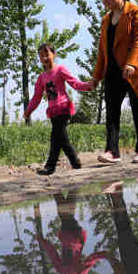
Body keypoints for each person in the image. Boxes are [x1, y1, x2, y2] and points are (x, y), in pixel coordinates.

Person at [91, 0, 138, 165]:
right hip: (112, 73)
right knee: (112, 114)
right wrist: (96, 76)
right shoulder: (106, 20)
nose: (104, 0)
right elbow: (102, 50)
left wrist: (131, 64)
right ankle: (112, 152)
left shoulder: (135, 12)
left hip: (134, 71)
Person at [24, 43, 95, 175]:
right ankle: (75, 162)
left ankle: (50, 166)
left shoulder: (60, 69)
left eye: (47, 54)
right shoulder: (41, 78)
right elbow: (36, 97)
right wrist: (28, 111)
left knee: (55, 137)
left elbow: (74, 83)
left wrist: (88, 86)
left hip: (63, 108)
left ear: (53, 55)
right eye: (41, 55)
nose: (45, 57)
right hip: (53, 111)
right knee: (61, 138)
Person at [34, 191, 110, 274]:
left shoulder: (60, 269)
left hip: (65, 235)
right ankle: (66, 189)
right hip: (76, 236)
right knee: (66, 215)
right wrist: (105, 255)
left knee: (65, 214)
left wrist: (41, 240)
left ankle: (66, 189)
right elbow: (91, 260)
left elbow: (52, 253)